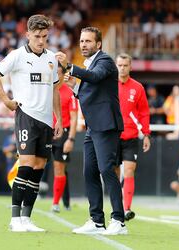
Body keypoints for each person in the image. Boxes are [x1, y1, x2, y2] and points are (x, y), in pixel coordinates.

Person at [0, 14, 63, 232]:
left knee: (39, 168)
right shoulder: (17, 56)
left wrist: (58, 117)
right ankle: (14, 219)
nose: (41, 40)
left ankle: (27, 218)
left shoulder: (51, 58)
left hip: (47, 120)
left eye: (45, 36)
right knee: (27, 164)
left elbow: (55, 90)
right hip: (27, 116)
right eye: (37, 36)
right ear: (27, 34)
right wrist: (6, 100)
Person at [56, 27, 126, 235]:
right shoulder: (91, 64)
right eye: (82, 41)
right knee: (90, 173)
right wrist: (74, 87)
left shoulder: (104, 61)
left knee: (106, 170)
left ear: (98, 44)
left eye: (88, 41)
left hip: (106, 125)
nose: (84, 44)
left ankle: (118, 221)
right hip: (93, 127)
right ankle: (96, 220)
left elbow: (94, 78)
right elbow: (91, 91)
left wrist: (69, 66)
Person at [114, 53, 151, 221]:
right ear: (116, 66)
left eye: (125, 65)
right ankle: (116, 208)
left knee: (129, 170)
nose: (122, 68)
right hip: (112, 136)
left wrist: (146, 134)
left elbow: (144, 112)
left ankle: (126, 207)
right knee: (113, 174)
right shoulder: (109, 85)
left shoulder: (138, 88)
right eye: (119, 65)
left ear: (130, 67)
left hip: (131, 137)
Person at [51, 66, 78, 213]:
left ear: (62, 75)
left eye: (57, 72)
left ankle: (56, 203)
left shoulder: (70, 93)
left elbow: (74, 119)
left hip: (63, 134)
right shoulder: (47, 91)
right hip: (48, 132)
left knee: (59, 168)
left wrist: (71, 139)